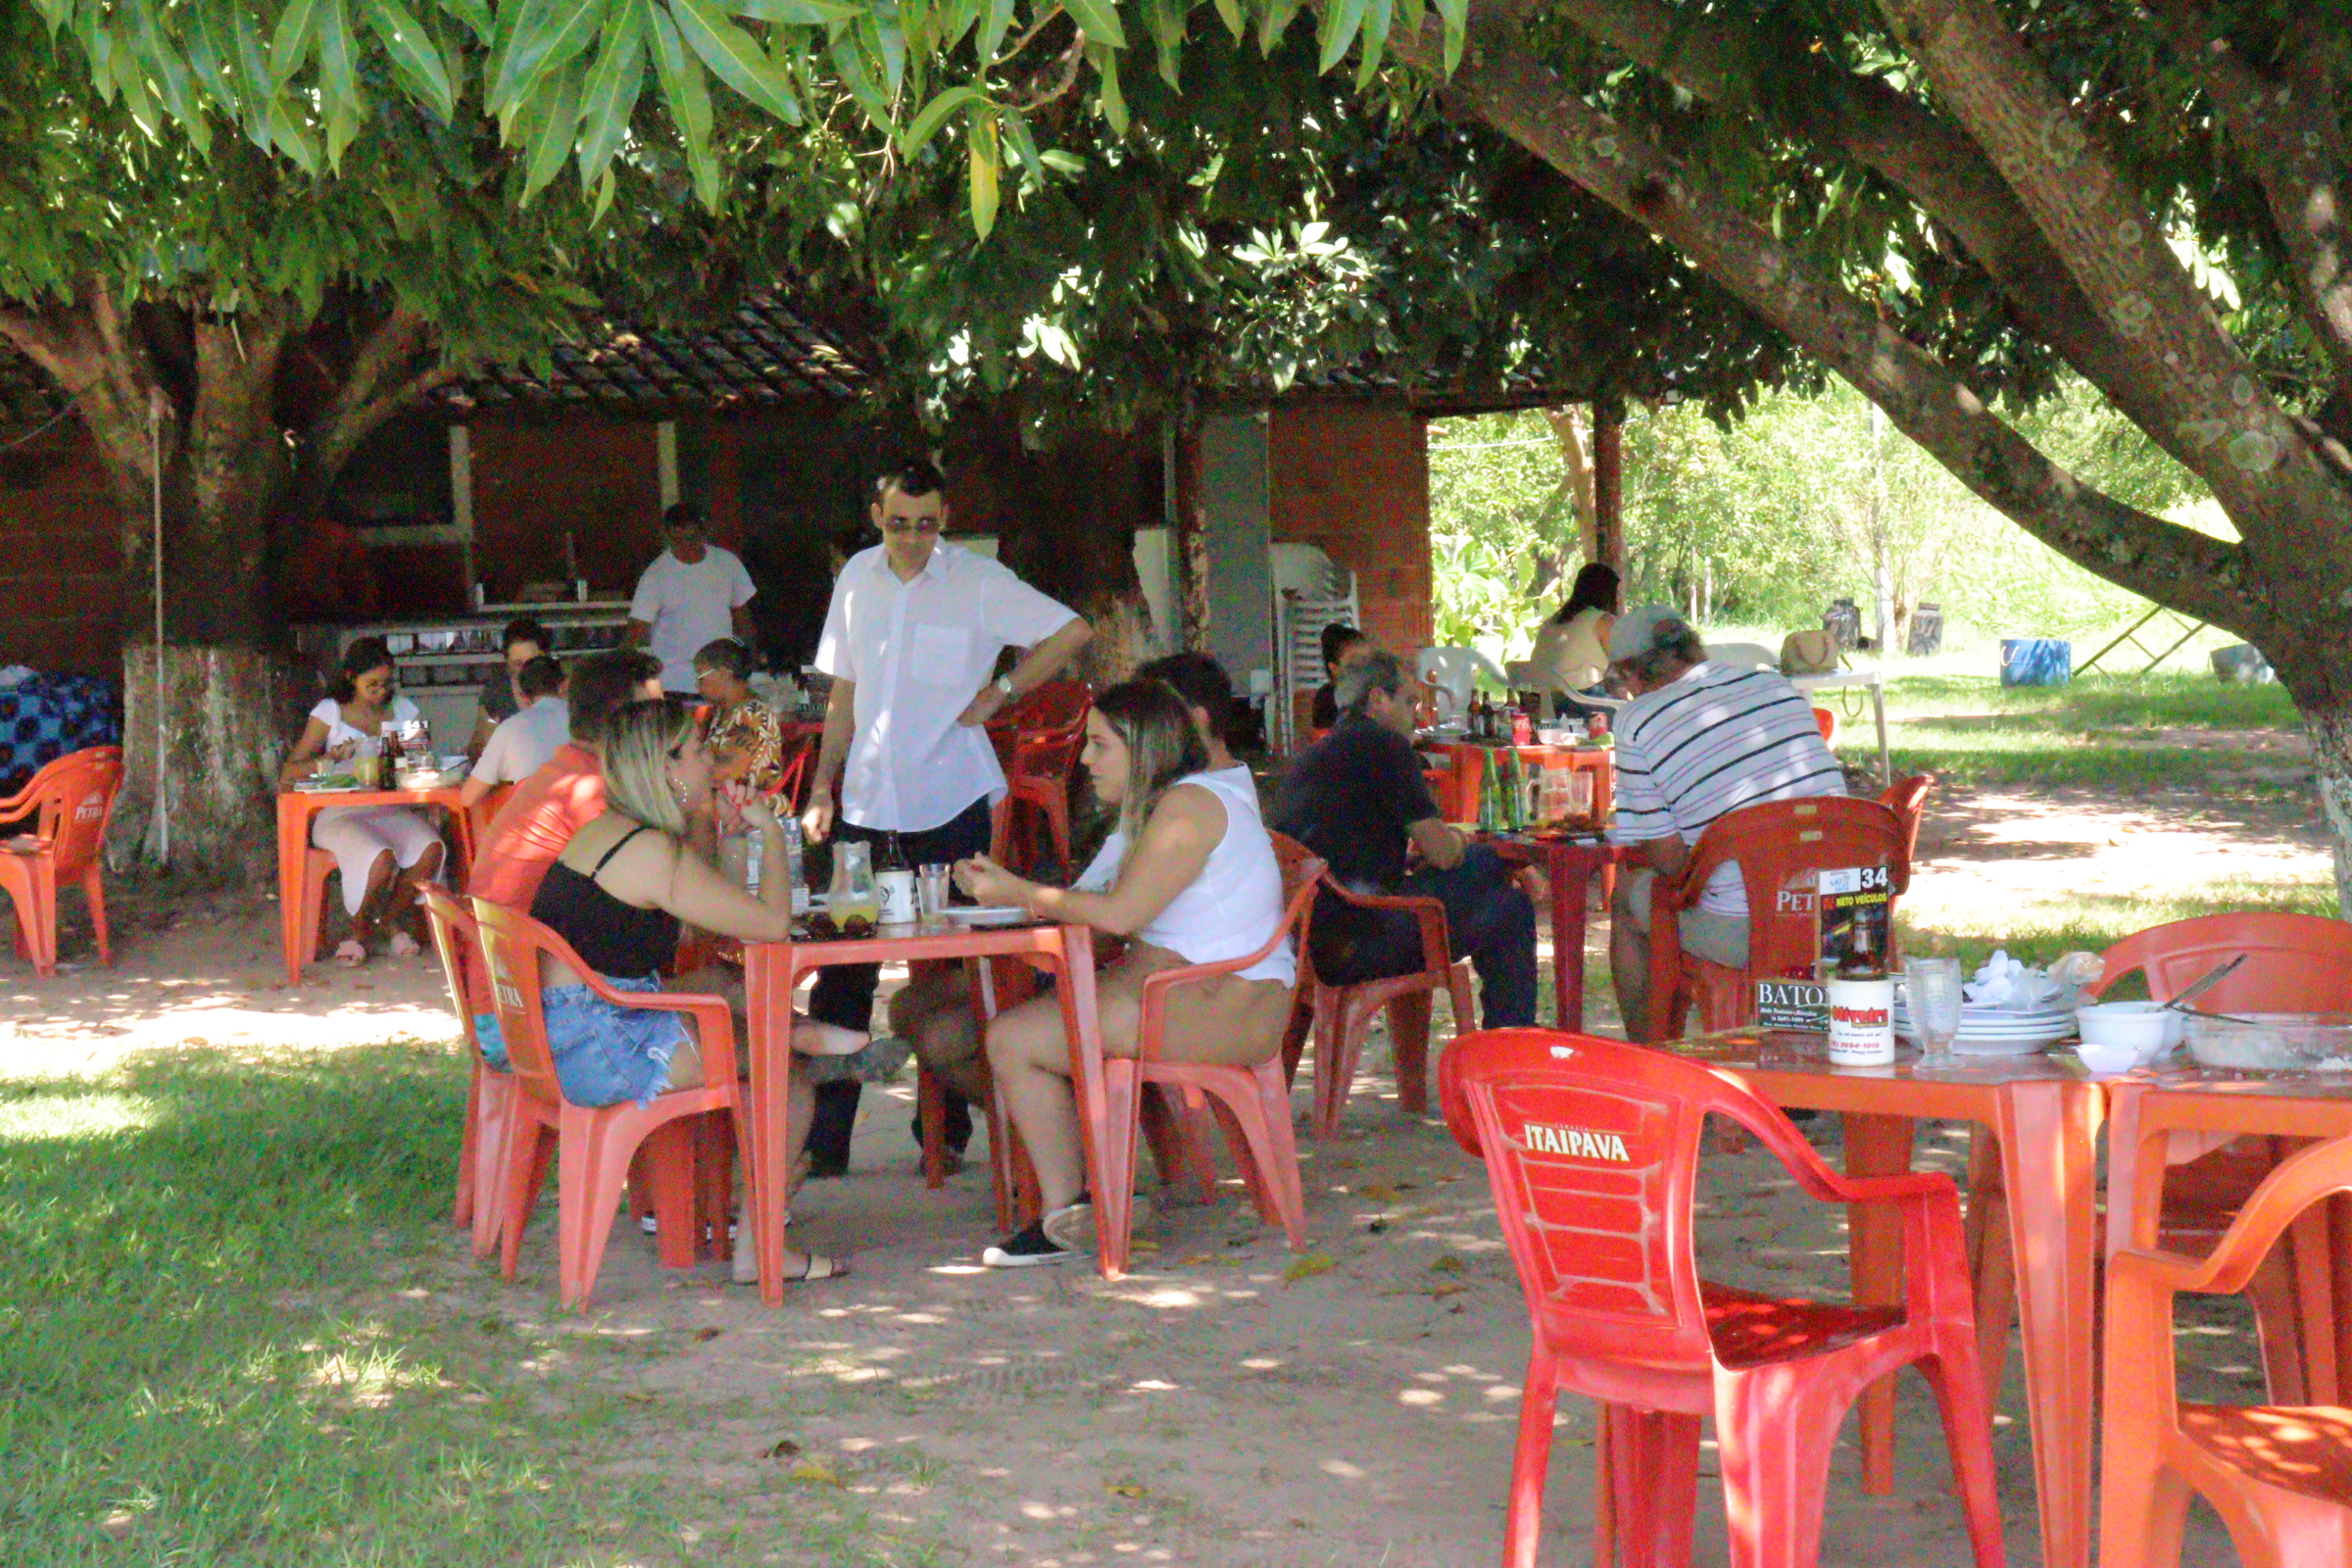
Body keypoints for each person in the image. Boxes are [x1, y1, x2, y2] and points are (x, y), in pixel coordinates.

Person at [798, 458, 1094, 1177]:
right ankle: (823, 1145)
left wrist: (1003, 690)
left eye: (926, 525)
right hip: (867, 799)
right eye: (899, 524)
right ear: (877, 518)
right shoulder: (857, 577)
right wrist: (823, 785)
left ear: (945, 520)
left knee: (959, 973)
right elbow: (844, 694)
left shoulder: (977, 580)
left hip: (951, 799)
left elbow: (1072, 630)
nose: (912, 538)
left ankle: (950, 1133)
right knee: (844, 975)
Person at [530, 702, 891, 1284]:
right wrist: (770, 833)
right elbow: (769, 925)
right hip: (603, 1046)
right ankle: (761, 1249)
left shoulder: (611, 833)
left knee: (727, 983)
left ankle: (803, 1032)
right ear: (666, 766)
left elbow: (707, 920)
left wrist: (731, 834)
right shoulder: (650, 851)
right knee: (788, 1076)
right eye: (699, 752)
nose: (712, 763)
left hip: (573, 1025)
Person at [955, 680, 1297, 1266]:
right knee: (1022, 1027)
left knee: (1011, 1038)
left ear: (1144, 750)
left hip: (1228, 1005)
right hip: (1200, 992)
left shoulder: (1188, 806)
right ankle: (1085, 1200)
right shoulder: (1175, 803)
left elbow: (1119, 916)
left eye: (1100, 745)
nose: (1085, 761)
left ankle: (1069, 1212)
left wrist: (1018, 893)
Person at [1603, 606, 1846, 1040]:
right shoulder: (1775, 684)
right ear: (1693, 646)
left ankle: (1647, 1055)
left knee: (1627, 897)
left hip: (1748, 930)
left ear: (1630, 674)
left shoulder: (1636, 721)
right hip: (1844, 913)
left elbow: (1668, 859)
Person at [1276, 649, 1538, 1030]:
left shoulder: (1313, 754)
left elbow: (1345, 848)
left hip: (1310, 940)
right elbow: (1443, 853)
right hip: (1360, 939)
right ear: (1378, 699)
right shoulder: (1386, 746)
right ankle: (1508, 1042)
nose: (1418, 714)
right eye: (1410, 701)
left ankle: (1505, 1039)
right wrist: (1458, 841)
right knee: (1506, 899)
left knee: (1491, 873)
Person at [279, 637, 445, 968]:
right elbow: (289, 771)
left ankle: (389, 919)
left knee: (431, 848)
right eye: (372, 685)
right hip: (338, 813)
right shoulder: (331, 712)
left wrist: (412, 760)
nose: (381, 692)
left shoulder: (402, 710)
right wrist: (329, 759)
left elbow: (419, 764)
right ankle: (358, 931)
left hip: (389, 808)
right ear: (351, 678)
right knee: (380, 857)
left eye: (386, 684)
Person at [469, 648, 664, 914]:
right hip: (524, 934)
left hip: (501, 927)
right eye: (652, 714)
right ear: (620, 720)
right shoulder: (591, 790)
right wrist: (701, 809)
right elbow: (658, 881)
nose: (662, 727)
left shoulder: (565, 769)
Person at [624, 502, 758, 697]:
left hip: (722, 682)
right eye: (678, 541)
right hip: (674, 684)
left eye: (691, 539)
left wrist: (750, 662)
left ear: (703, 533)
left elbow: (742, 617)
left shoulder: (728, 564)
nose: (686, 547)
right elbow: (637, 629)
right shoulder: (655, 576)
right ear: (668, 536)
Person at [695, 636, 787, 886]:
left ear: (724, 673)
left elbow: (730, 771)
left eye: (701, 676)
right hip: (728, 804)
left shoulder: (752, 714)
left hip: (750, 807)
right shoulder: (721, 713)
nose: (697, 685)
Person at [461, 656, 568, 808]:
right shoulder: (587, 722)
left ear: (522, 695)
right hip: (587, 817)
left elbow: (468, 797)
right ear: (564, 686)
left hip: (531, 818)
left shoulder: (510, 728)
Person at [1530, 564, 1620, 708]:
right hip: (1581, 701)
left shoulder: (1552, 621)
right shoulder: (1603, 621)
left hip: (1540, 702)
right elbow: (1623, 663)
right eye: (1617, 592)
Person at [468, 617, 553, 758]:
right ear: (507, 662)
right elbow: (475, 748)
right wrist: (483, 742)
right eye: (518, 664)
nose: (526, 670)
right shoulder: (496, 691)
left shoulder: (562, 689)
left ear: (546, 657)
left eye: (532, 662)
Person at [1308, 624, 1371, 732]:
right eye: (1355, 659)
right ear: (1334, 668)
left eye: (1368, 659)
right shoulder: (1327, 699)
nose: (1363, 665)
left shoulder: (1376, 692)